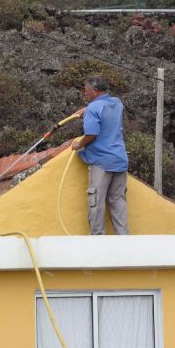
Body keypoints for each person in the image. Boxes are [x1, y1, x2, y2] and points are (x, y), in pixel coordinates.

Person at [71, 75, 130, 235]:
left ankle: (98, 238)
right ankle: (124, 238)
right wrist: (86, 109)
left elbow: (91, 134)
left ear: (95, 91)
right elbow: (105, 106)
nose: (85, 94)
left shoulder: (93, 108)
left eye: (86, 91)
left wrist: (78, 144)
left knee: (96, 201)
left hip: (101, 162)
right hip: (119, 160)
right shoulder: (117, 103)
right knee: (117, 200)